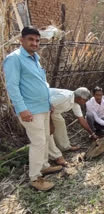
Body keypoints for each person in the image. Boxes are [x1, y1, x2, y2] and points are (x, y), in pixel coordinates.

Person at [3, 26, 62, 191]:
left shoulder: (35, 58)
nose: (35, 43)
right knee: (38, 142)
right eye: (31, 39)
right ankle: (35, 178)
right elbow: (12, 87)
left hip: (42, 107)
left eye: (37, 40)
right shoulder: (14, 59)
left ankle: (43, 165)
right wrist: (22, 109)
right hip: (30, 110)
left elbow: (41, 83)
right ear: (21, 40)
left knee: (44, 138)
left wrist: (48, 102)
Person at [48, 87, 98, 158]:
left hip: (53, 111)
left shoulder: (75, 102)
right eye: (86, 100)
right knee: (48, 132)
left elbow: (81, 120)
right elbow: (47, 105)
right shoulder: (65, 97)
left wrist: (92, 133)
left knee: (60, 123)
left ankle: (65, 147)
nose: (86, 102)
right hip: (41, 109)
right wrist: (50, 124)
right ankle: (56, 157)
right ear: (81, 98)